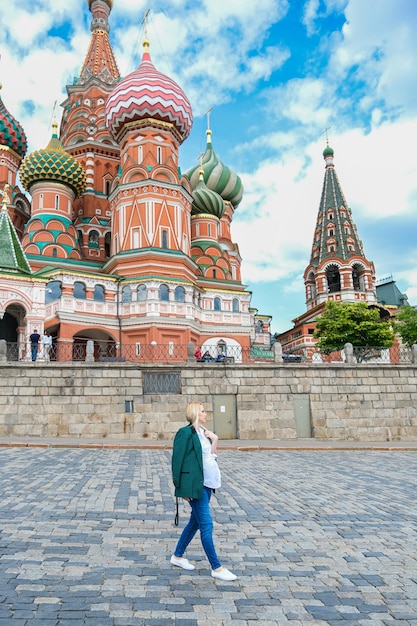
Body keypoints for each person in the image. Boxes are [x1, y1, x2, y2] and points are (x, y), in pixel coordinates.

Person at [171, 402, 237, 581]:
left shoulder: (203, 433)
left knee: (195, 522)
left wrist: (214, 439)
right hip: (195, 486)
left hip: (208, 484)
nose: (205, 413)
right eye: (202, 411)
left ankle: (177, 556)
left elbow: (210, 456)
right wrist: (180, 487)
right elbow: (177, 461)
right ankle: (216, 568)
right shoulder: (185, 433)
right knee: (206, 525)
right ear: (195, 413)